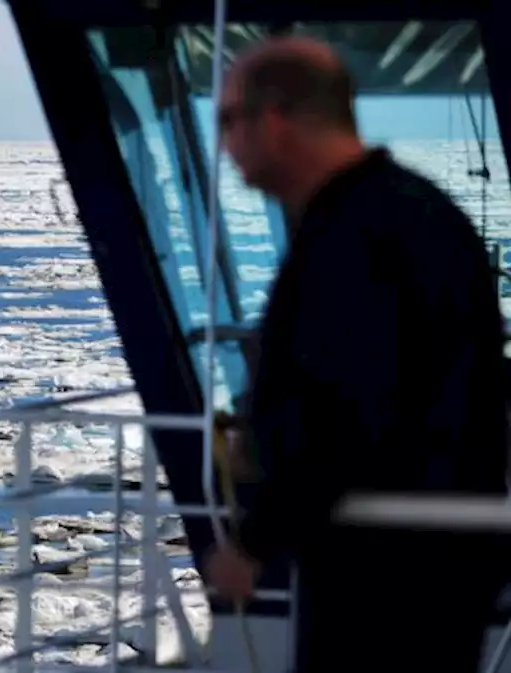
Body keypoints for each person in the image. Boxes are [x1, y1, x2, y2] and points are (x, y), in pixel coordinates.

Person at [204, 36, 509, 672]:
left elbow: (344, 408)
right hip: (416, 564)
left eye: (227, 119)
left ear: (276, 120)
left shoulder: (361, 233)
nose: (224, 144)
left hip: (393, 576)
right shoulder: (395, 213)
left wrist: (255, 538)